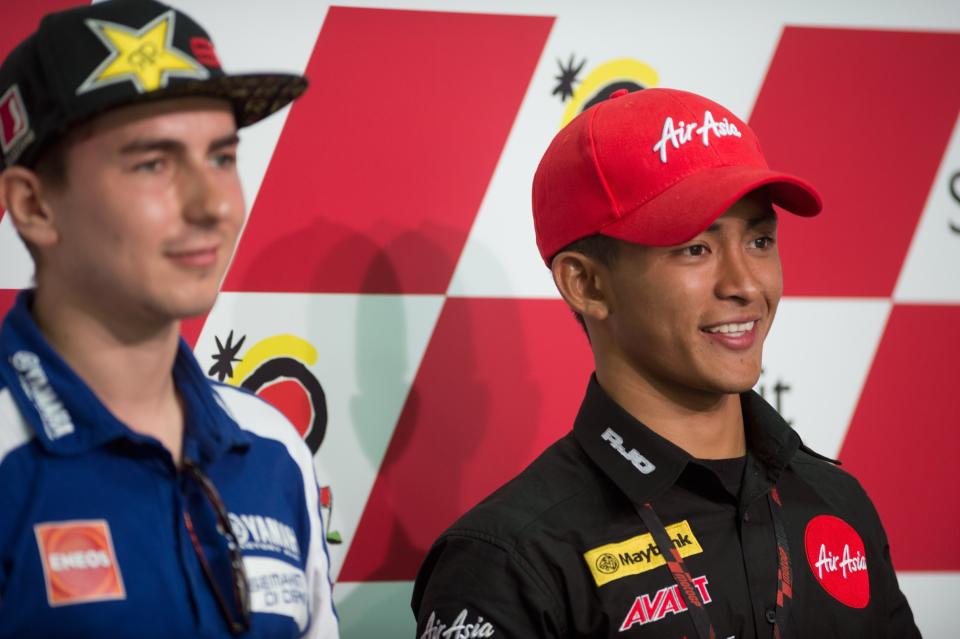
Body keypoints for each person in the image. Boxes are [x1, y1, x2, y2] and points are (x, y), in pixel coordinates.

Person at [411, 88, 919, 638]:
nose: (746, 285)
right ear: (586, 283)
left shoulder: (836, 500)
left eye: (760, 240)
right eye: (695, 248)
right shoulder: (510, 561)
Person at [0, 1, 338, 637]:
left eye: (221, 157)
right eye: (152, 163)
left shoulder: (273, 448)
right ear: (33, 205)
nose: (213, 204)